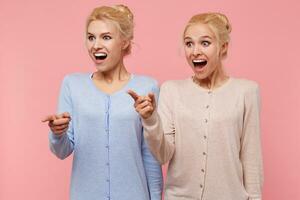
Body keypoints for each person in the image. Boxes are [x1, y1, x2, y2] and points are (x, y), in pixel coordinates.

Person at [129, 12, 263, 200]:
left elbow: (251, 158)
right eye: (189, 43)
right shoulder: (171, 90)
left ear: (223, 47)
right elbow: (163, 155)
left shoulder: (246, 91)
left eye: (205, 43)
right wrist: (150, 120)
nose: (195, 51)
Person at [42, 5, 162, 200]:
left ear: (124, 41)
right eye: (91, 37)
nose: (95, 45)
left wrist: (156, 197)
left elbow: (151, 155)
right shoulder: (72, 84)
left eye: (106, 37)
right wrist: (57, 134)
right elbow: (62, 151)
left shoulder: (147, 86)